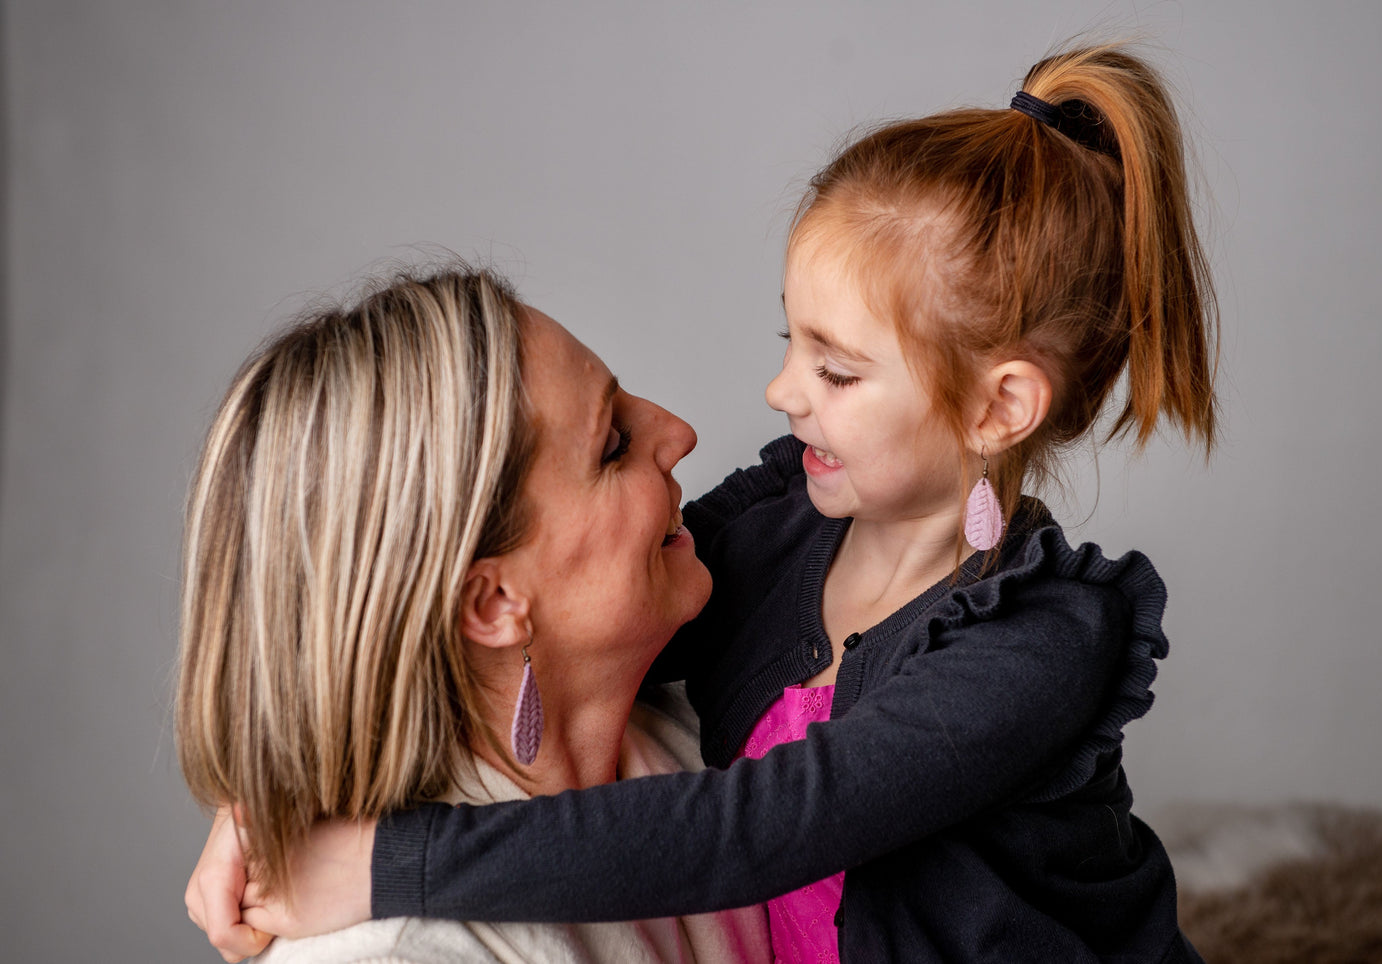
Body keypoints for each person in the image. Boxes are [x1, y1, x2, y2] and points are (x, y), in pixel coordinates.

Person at [190, 42, 1215, 962]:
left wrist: (385, 857)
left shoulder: (1035, 640)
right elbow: (436, 660)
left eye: (837, 370)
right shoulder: (775, 532)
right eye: (790, 344)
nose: (770, 397)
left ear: (998, 407)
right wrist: (272, 816)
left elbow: (757, 827)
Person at [175, 265, 770, 963]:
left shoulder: (725, 701)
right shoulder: (395, 952)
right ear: (491, 605)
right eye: (612, 446)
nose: (678, 432)